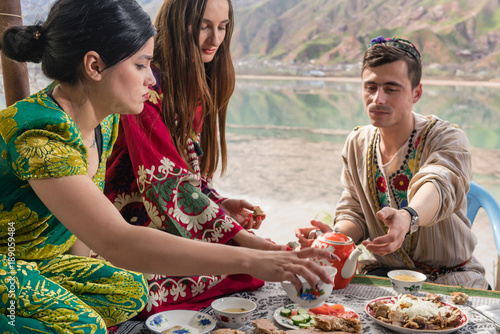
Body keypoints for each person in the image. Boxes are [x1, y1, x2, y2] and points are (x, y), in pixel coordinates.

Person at [0, 0, 336, 333]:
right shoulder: (41, 133)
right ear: (94, 66)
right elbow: (116, 241)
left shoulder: (105, 121)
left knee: (130, 290)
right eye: (141, 65)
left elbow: (78, 232)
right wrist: (251, 257)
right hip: (8, 260)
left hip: (45, 262)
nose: (150, 79)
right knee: (85, 326)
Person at [103, 0, 296, 317]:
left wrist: (222, 207)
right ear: (178, 24)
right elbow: (163, 183)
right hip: (122, 223)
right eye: (204, 25)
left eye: (222, 27)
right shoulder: (142, 88)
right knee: (232, 270)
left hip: (162, 216)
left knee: (242, 270)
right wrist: (242, 238)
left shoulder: (191, 89)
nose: (215, 40)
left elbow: (183, 176)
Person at [295, 36, 489, 290]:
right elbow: (354, 211)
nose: (378, 99)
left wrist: (408, 216)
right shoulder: (357, 142)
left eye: (391, 88)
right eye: (371, 87)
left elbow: (440, 181)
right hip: (387, 275)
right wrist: (331, 239)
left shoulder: (447, 137)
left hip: (451, 278)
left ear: (416, 93)